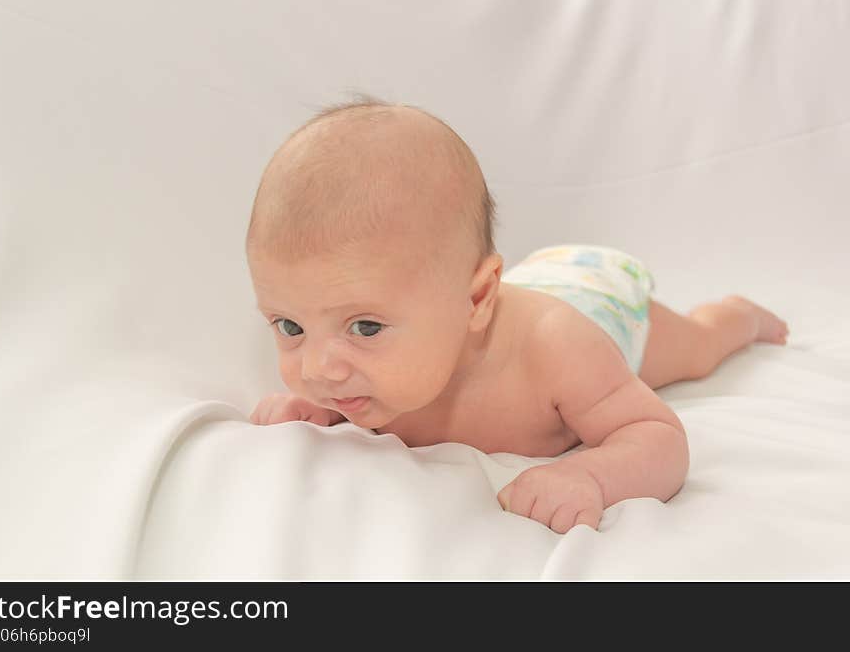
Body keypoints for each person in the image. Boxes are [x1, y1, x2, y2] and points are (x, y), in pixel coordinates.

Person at [244, 99, 789, 534]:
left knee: (696, 349)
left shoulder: (556, 350)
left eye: (364, 328)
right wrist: (320, 412)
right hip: (516, 278)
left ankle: (735, 317)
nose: (319, 370)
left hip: (596, 299)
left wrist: (591, 475)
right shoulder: (372, 363)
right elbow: (336, 383)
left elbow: (658, 435)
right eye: (290, 326)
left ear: (477, 301)